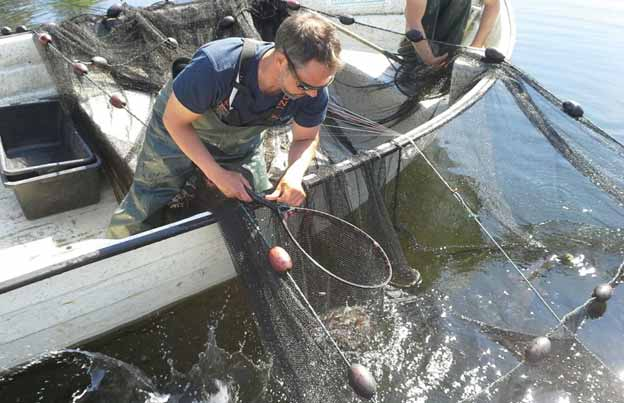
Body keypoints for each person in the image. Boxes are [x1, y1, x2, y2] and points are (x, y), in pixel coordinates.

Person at [106, 12, 342, 238]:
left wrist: (294, 174)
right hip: (178, 129)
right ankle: (115, 257)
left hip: (240, 143)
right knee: (148, 198)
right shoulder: (217, 66)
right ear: (281, 61)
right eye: (304, 86)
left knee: (258, 201)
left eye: (321, 86)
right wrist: (217, 174)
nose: (313, 95)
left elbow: (306, 138)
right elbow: (174, 122)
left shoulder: (314, 87)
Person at [404, 0, 500, 67]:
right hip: (420, 43)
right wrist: (428, 58)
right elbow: (413, 22)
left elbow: (492, 4)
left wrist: (476, 45)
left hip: (456, 39)